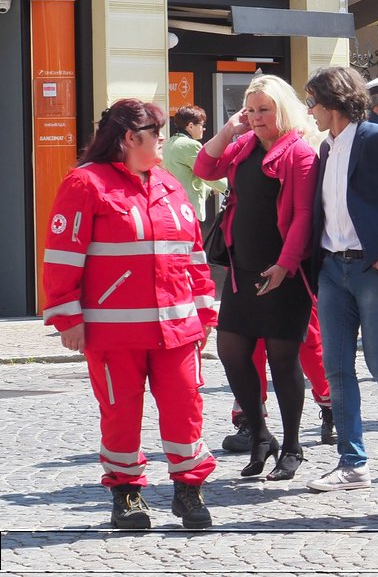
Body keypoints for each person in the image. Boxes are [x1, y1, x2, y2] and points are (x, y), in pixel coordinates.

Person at [42, 99, 218, 530]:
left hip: (177, 329)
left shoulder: (171, 186)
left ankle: (188, 489)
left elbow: (193, 257)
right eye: (155, 133)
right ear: (128, 139)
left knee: (186, 407)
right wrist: (68, 318)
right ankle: (127, 494)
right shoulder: (86, 184)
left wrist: (204, 314)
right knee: (121, 413)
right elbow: (63, 256)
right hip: (113, 333)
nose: (162, 140)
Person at [303, 65, 378, 492]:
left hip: (376, 268)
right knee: (336, 367)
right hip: (334, 269)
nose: (310, 111)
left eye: (312, 101)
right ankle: (352, 462)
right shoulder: (325, 147)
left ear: (333, 101)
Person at [194, 75, 318, 481]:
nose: (257, 116)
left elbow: (303, 214)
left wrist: (285, 264)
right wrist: (231, 127)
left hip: (284, 270)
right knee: (231, 352)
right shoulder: (244, 144)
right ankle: (262, 434)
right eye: (251, 109)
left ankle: (294, 445)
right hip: (242, 269)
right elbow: (204, 165)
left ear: (281, 108)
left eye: (264, 109)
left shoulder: (298, 151)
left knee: (284, 362)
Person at [162, 105, 227, 224]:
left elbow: (184, 177)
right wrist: (231, 187)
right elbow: (207, 174)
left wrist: (210, 190)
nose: (204, 129)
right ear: (191, 126)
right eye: (202, 125)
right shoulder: (190, 145)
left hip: (173, 208)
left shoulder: (168, 144)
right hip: (189, 211)